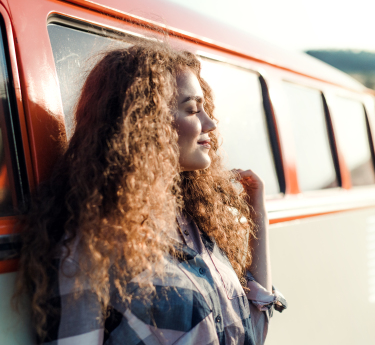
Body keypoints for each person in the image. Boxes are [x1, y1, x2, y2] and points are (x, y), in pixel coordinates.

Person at [15, 41, 286, 345]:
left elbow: (253, 335)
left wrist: (257, 213)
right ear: (147, 123)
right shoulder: (92, 252)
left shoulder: (194, 225)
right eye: (193, 109)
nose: (210, 122)